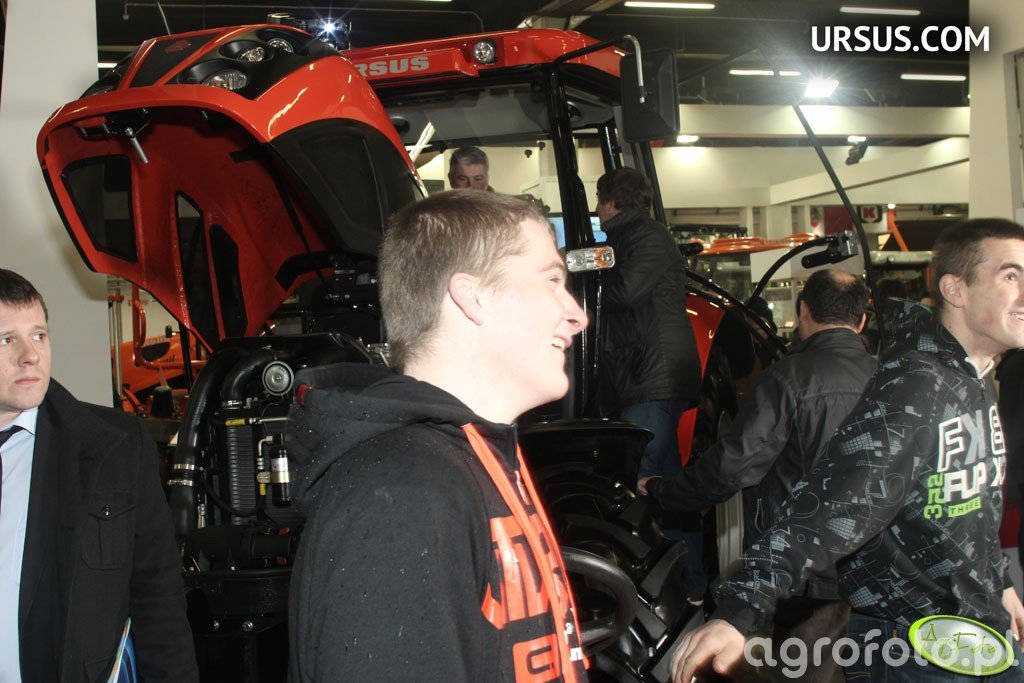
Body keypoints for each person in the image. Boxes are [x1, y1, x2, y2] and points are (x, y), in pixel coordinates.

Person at [672, 218, 1024, 683]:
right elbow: (831, 505)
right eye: (1011, 276)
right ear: (955, 289)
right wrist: (740, 609)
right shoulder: (918, 387)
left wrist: (999, 585)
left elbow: (972, 505)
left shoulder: (972, 379)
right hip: (915, 647)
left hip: (971, 632)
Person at [287, 190, 589, 682]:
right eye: (552, 281)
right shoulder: (399, 494)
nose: (577, 315)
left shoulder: (471, 459)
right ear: (473, 297)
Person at [641, 268, 876, 682]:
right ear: (861, 321)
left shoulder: (788, 379)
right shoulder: (894, 381)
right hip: (880, 572)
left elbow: (730, 469)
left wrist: (665, 491)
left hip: (806, 573)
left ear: (803, 312)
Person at [0, 269, 198, 682]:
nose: (30, 356)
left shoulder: (115, 448)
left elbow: (158, 598)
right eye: (6, 340)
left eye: (38, 335)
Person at [595, 167, 702, 598]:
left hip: (653, 377)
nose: (596, 210)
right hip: (650, 376)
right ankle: (690, 586)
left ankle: (648, 592)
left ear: (611, 201)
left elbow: (624, 291)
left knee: (636, 480)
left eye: (599, 201)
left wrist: (582, 277)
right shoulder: (630, 238)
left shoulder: (646, 237)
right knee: (668, 489)